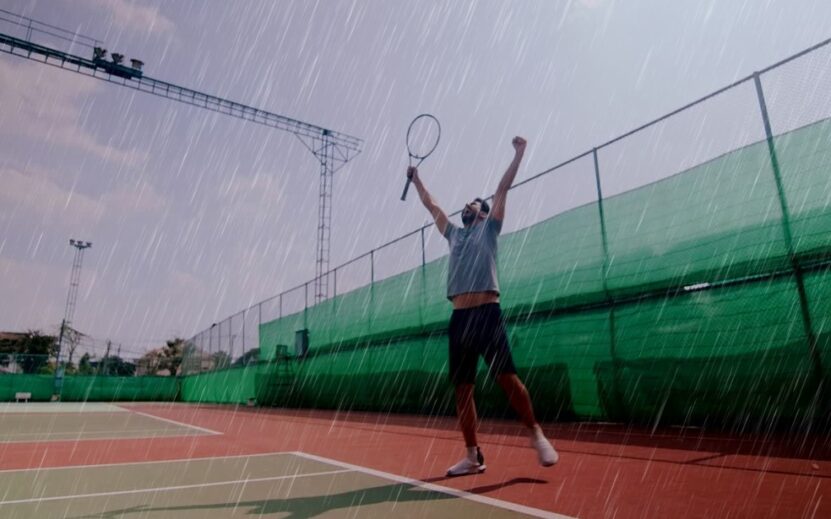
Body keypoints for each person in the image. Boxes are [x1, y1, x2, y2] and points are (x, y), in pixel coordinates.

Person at [407, 136, 558, 477]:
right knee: (462, 391)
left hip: (487, 314)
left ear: (485, 212)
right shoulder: (453, 235)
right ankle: (473, 456)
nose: (467, 206)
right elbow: (432, 206)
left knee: (508, 380)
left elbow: (503, 187)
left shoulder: (490, 228)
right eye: (467, 205)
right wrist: (416, 180)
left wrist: (519, 154)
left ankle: (535, 433)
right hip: (459, 318)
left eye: (474, 204)